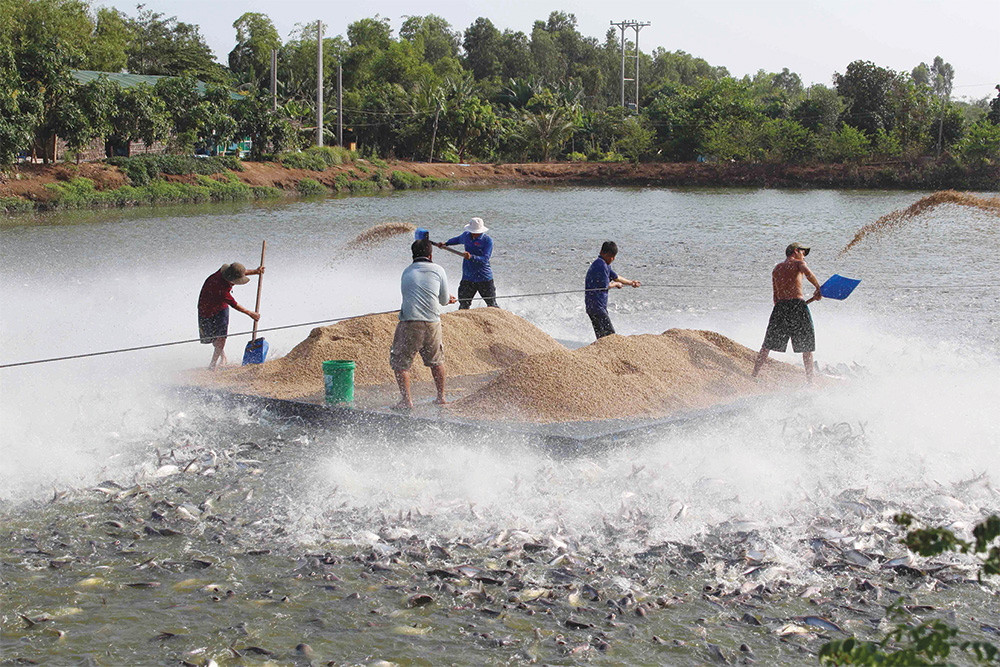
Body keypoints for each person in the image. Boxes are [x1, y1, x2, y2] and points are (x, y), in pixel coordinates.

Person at [390, 238, 457, 410]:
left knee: (401, 363)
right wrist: (448, 299)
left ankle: (406, 401)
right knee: (436, 361)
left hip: (410, 322)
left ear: (413, 255)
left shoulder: (406, 272)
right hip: (432, 322)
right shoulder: (438, 270)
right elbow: (443, 300)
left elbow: (409, 294)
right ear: (430, 254)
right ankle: (441, 397)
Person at [752, 242, 823, 383]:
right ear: (796, 251)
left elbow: (776, 297)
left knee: (767, 345)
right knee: (806, 347)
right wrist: (818, 288)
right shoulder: (798, 264)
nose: (804, 256)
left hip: (780, 307)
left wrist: (805, 301)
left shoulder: (776, 268)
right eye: (803, 252)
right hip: (797, 306)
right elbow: (808, 274)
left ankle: (753, 374)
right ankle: (810, 382)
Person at [197, 262, 263, 369]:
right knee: (213, 339)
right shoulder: (220, 288)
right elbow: (234, 304)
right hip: (205, 309)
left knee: (221, 337)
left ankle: (212, 364)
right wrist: (251, 313)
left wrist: (255, 271)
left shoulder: (226, 272)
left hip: (221, 308)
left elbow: (239, 272)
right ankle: (223, 356)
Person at [584, 241, 640, 340]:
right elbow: (606, 285)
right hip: (597, 307)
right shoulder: (601, 265)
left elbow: (616, 277)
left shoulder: (604, 263)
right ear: (602, 253)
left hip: (592, 306)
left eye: (614, 256)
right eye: (610, 256)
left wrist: (631, 283)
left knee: (601, 337)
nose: (612, 259)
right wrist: (616, 284)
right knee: (610, 336)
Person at [437, 217, 497, 309]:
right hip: (468, 277)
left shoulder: (487, 241)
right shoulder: (466, 236)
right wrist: (446, 244)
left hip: (484, 277)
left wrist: (471, 257)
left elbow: (485, 258)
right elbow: (456, 240)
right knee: (463, 305)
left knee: (492, 304)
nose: (475, 234)